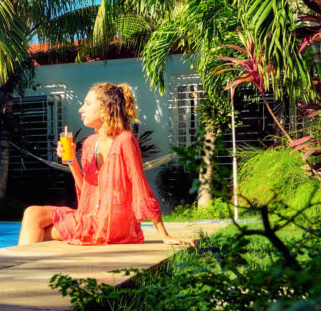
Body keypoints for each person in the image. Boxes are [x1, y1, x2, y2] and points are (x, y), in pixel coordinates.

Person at [17, 82, 194, 246]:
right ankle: (23, 264)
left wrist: (164, 235)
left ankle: (21, 265)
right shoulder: (89, 143)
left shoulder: (125, 140)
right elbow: (87, 190)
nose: (81, 109)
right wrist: (71, 161)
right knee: (32, 214)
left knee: (38, 230)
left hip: (111, 225)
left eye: (87, 104)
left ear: (105, 108)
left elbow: (139, 184)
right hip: (91, 217)